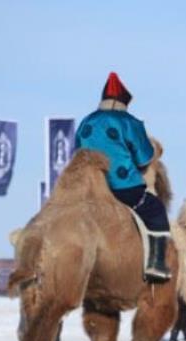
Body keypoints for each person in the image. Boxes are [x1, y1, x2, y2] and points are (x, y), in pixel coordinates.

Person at [75, 72, 172, 282]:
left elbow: (77, 152)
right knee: (155, 210)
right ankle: (156, 263)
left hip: (88, 189)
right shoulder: (129, 122)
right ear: (124, 101)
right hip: (122, 188)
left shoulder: (86, 122)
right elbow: (144, 158)